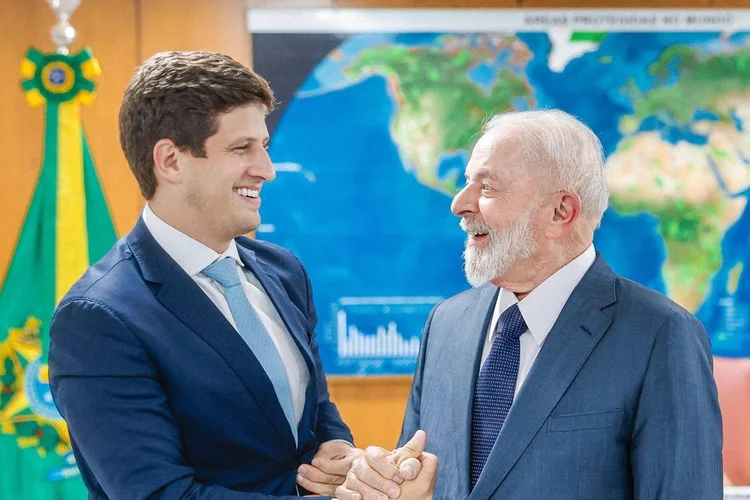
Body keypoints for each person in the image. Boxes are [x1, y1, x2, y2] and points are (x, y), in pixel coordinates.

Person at [335, 109, 723, 500]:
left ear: (561, 212)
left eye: (486, 187)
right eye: (467, 183)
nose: (459, 204)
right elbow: (414, 482)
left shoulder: (660, 333)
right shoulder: (446, 323)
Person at [49, 51, 360, 499]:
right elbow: (159, 495)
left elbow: (314, 410)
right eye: (241, 149)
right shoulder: (98, 318)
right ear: (170, 161)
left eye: (264, 147)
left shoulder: (284, 272)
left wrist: (337, 447)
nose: (267, 170)